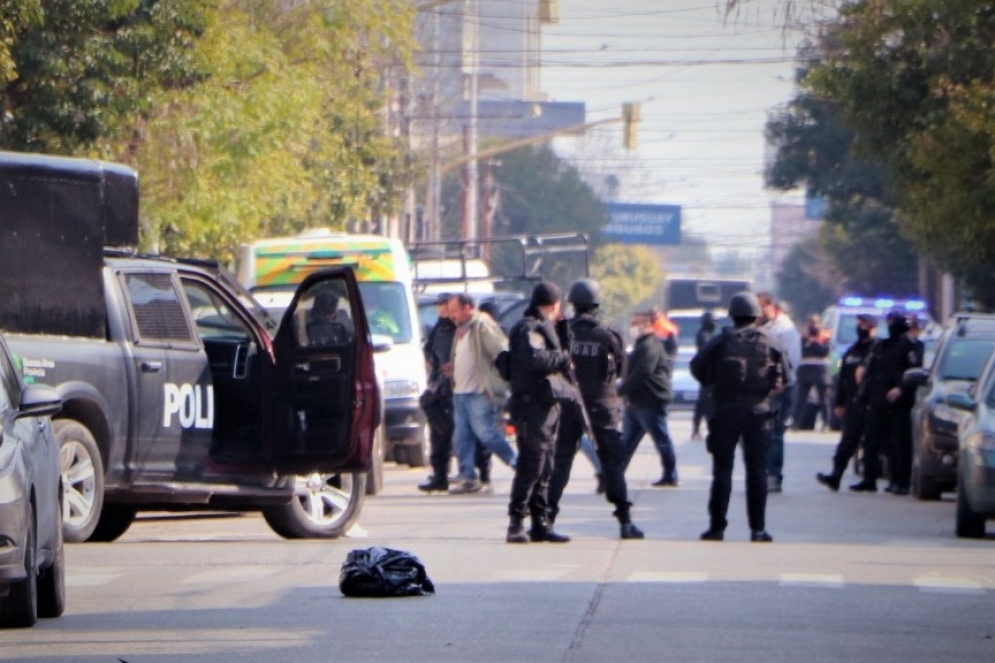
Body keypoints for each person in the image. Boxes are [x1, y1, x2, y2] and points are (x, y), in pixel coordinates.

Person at [546, 279, 645, 540]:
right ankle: (625, 522)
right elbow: (622, 369)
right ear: (596, 304)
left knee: (562, 462)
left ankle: (548, 518)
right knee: (613, 464)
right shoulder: (608, 334)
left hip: (569, 404)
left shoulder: (559, 331)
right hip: (602, 404)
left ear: (573, 304)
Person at [691, 291, 789, 543]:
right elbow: (786, 377)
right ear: (757, 315)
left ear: (732, 315)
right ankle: (758, 530)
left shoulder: (720, 341)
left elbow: (697, 367)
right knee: (757, 471)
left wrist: (714, 383)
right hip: (759, 412)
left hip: (725, 410)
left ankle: (717, 528)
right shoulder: (771, 341)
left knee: (722, 471)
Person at [505, 281, 572, 544]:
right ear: (555, 304)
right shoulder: (528, 329)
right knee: (531, 466)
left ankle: (540, 523)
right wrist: (564, 358)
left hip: (546, 406)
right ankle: (516, 523)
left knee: (546, 467)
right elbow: (535, 359)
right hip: (531, 407)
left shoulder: (549, 328)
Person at [446, 293, 517, 494]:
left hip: (478, 394)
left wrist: (497, 385)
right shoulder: (461, 330)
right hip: (460, 393)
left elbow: (501, 352)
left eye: (454, 310)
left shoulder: (481, 326)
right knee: (461, 438)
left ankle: (517, 463)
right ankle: (468, 477)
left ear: (468, 307)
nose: (451, 315)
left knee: (487, 435)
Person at [849, 309, 923, 494]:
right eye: (888, 322)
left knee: (899, 443)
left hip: (899, 403)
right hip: (877, 399)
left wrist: (901, 388)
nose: (890, 326)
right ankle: (869, 478)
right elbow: (870, 370)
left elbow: (914, 371)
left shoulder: (911, 346)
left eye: (893, 322)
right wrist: (863, 393)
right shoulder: (881, 345)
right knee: (872, 441)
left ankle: (901, 481)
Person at [816, 314, 878, 491]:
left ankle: (870, 479)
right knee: (847, 442)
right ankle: (836, 475)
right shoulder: (852, 350)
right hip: (852, 404)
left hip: (871, 404)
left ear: (872, 328)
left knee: (871, 444)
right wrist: (839, 402)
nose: (860, 328)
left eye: (863, 325)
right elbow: (843, 378)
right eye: (858, 325)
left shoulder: (877, 349)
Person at [619, 310, 679, 487]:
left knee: (661, 439)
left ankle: (671, 474)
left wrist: (622, 390)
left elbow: (643, 372)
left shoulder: (650, 345)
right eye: (632, 323)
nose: (634, 327)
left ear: (648, 325)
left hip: (651, 400)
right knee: (626, 442)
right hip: (637, 401)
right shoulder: (641, 344)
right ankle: (614, 475)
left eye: (637, 323)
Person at [756, 292, 800, 493]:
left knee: (774, 434)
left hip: (779, 388)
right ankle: (762, 472)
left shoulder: (784, 328)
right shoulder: (763, 326)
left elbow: (793, 358)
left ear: (771, 306)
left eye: (761, 307)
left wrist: (781, 381)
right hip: (761, 388)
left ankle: (774, 475)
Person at [793, 315, 831, 430]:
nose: (813, 327)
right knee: (801, 399)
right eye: (811, 324)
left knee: (823, 399)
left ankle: (826, 423)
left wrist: (814, 342)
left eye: (815, 324)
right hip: (806, 371)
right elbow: (800, 351)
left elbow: (824, 352)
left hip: (820, 372)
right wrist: (806, 340)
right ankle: (795, 423)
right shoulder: (802, 339)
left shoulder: (825, 338)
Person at [691, 311, 717, 441]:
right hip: (706, 374)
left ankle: (697, 429)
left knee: (703, 403)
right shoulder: (703, 335)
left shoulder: (710, 335)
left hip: (710, 374)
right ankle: (699, 429)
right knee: (705, 403)